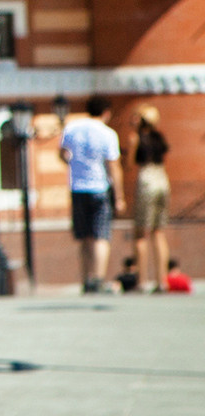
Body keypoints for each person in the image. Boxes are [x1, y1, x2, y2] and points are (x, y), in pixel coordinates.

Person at [61, 96, 124, 294]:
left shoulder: (72, 127)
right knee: (100, 236)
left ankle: (86, 279)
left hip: (77, 187)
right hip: (99, 187)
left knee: (84, 236)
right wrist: (120, 196)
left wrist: (74, 165)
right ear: (106, 112)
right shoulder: (108, 133)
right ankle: (97, 279)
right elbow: (114, 166)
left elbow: (62, 153)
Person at [132, 104, 172, 292]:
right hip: (162, 180)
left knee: (141, 233)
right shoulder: (160, 139)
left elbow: (130, 163)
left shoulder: (137, 138)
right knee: (158, 232)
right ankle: (161, 281)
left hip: (146, 181)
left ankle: (141, 281)